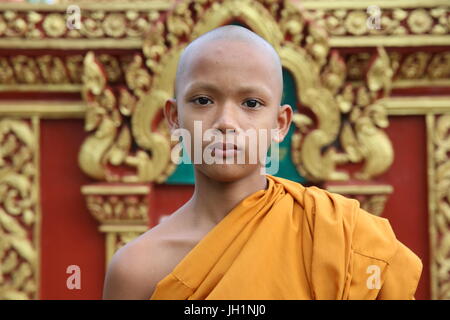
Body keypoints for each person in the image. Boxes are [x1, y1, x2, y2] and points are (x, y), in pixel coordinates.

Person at [102, 25, 422, 300]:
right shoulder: (136, 268)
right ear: (174, 117)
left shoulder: (337, 236)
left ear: (280, 124)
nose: (226, 122)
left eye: (251, 103)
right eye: (203, 100)